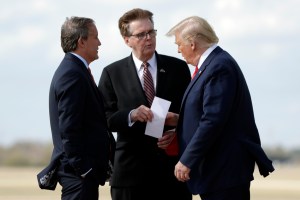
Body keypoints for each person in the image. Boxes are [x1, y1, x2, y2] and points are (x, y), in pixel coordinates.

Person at [166, 16, 275, 200]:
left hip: (224, 172)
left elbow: (213, 120)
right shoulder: (213, 65)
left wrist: (187, 160)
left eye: (179, 44)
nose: (178, 50)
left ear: (192, 43)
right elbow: (211, 114)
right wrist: (180, 121)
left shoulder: (219, 67)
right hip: (217, 173)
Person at [98, 8, 192, 200]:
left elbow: (193, 114)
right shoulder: (112, 73)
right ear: (127, 40)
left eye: (151, 32)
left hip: (172, 174)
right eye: (141, 34)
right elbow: (104, 120)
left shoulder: (178, 68)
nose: (148, 38)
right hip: (130, 177)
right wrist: (131, 115)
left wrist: (176, 132)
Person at [47, 16, 115, 200]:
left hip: (81, 176)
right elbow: (69, 129)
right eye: (96, 37)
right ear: (82, 41)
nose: (100, 42)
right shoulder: (72, 74)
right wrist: (83, 169)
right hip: (78, 177)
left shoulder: (75, 70)